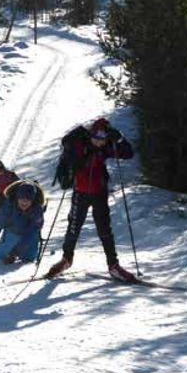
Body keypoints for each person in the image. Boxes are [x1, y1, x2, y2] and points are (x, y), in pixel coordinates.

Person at [45, 117, 136, 281]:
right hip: (79, 192)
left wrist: (120, 139)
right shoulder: (80, 143)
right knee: (73, 226)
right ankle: (66, 259)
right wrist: (75, 134)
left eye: (103, 139)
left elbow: (128, 153)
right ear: (91, 134)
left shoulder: (107, 147)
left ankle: (113, 265)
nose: (99, 142)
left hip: (99, 193)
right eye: (96, 138)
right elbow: (65, 142)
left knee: (104, 229)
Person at [0, 181, 45, 264]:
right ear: (17, 198)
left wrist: (15, 253)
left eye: (27, 200)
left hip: (29, 237)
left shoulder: (37, 209)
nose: (24, 203)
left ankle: (19, 252)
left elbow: (32, 232)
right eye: (22, 199)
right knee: (0, 257)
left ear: (32, 200)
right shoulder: (8, 205)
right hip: (12, 232)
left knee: (29, 259)